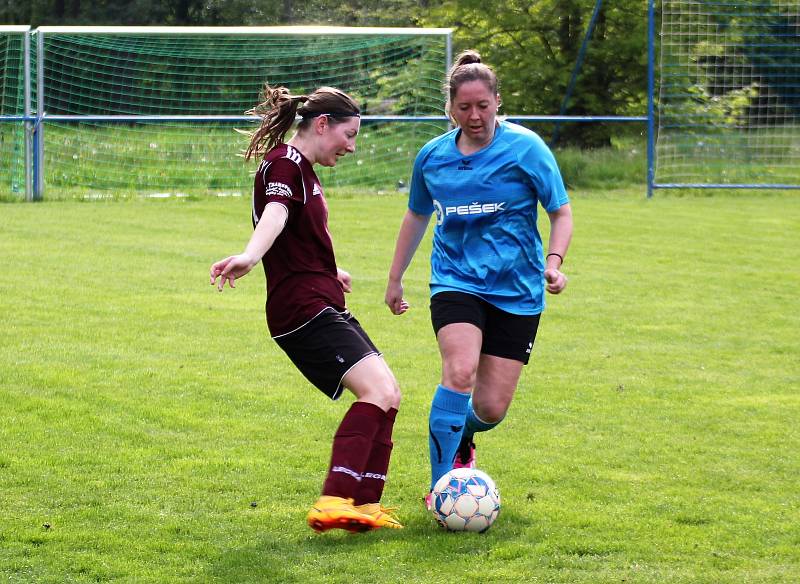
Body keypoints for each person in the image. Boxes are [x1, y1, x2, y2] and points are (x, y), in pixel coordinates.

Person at [384, 50, 573, 509]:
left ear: (497, 102)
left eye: (482, 106)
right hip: (455, 280)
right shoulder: (432, 157)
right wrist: (395, 278)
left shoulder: (526, 148)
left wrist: (554, 260)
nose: (474, 116)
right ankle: (440, 489)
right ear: (450, 108)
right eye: (464, 107)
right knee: (459, 371)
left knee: (491, 409)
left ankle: (462, 433)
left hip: (518, 289)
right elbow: (416, 215)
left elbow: (560, 211)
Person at [210, 84, 402, 533]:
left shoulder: (305, 171)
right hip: (301, 308)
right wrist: (250, 256)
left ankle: (365, 506)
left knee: (389, 393)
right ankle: (334, 499)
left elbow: (296, 236)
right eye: (349, 135)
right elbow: (275, 216)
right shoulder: (285, 163)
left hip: (319, 296)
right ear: (322, 125)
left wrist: (330, 270)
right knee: (376, 391)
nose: (352, 147)